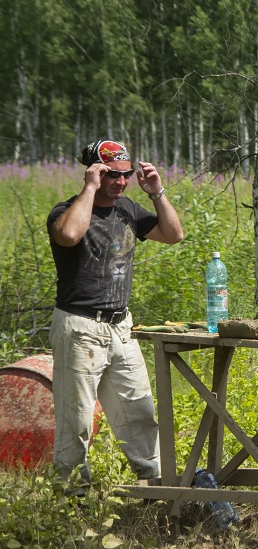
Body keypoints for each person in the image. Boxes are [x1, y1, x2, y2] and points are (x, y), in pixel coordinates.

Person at [47, 139, 183, 492]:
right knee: (76, 420)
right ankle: (72, 500)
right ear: (94, 171)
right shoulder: (66, 211)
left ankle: (153, 490)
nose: (119, 182)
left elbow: (173, 235)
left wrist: (156, 191)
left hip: (121, 327)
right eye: (110, 175)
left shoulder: (130, 210)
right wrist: (90, 188)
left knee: (139, 411)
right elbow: (69, 235)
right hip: (79, 328)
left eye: (124, 175)